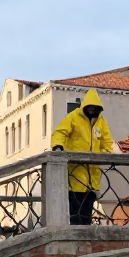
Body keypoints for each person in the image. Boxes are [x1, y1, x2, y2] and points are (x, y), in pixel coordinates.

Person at [50, 88, 113, 225]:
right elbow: (60, 133)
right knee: (75, 216)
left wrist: (107, 155)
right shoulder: (73, 117)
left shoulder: (101, 122)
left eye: (95, 107)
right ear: (85, 105)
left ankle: (84, 243)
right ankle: (76, 243)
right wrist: (58, 147)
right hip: (75, 177)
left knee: (86, 216)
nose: (92, 110)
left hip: (92, 178)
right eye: (90, 107)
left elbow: (107, 143)